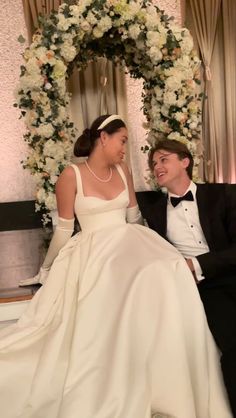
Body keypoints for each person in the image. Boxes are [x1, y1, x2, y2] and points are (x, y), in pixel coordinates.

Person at [0, 116, 232, 418]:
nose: (126, 148)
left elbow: (134, 216)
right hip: (94, 246)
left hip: (129, 240)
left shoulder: (123, 170)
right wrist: (45, 269)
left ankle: (169, 371)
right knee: (112, 287)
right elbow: (63, 229)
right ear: (103, 138)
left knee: (164, 270)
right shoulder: (71, 176)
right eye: (122, 140)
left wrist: (151, 245)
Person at [136, 139, 236, 417]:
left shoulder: (223, 195)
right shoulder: (152, 209)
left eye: (163, 159)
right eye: (153, 163)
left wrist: (197, 264)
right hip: (202, 288)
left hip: (227, 270)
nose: (157, 166)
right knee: (232, 341)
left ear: (185, 161)